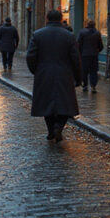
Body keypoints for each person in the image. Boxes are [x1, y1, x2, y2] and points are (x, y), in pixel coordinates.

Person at [26, 9, 82, 142]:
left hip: (44, 73)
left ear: (47, 19)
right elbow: (76, 58)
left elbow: (30, 56)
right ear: (61, 19)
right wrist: (78, 77)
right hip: (64, 73)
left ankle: (51, 129)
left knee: (47, 104)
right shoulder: (69, 36)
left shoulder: (38, 34)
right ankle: (58, 127)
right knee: (65, 104)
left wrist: (36, 70)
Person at [78, 20, 104, 93]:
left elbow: (79, 44)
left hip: (85, 55)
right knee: (93, 71)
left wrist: (80, 53)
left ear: (87, 25)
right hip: (94, 55)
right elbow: (101, 46)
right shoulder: (97, 33)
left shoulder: (82, 32)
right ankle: (93, 86)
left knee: (84, 71)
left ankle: (85, 85)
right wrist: (96, 51)